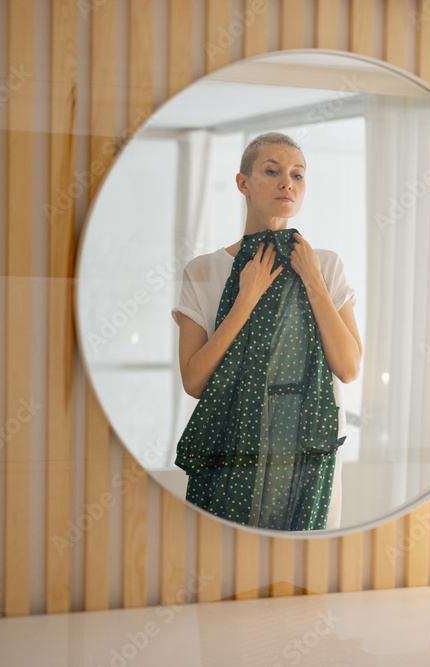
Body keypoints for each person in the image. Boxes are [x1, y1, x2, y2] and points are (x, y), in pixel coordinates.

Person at [171, 132, 362, 530]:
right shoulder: (204, 272)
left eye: (298, 175)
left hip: (310, 459)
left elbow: (347, 367)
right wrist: (246, 298)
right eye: (272, 171)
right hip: (232, 457)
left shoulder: (325, 265)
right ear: (243, 183)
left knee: (305, 580)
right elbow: (194, 379)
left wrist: (312, 280)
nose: (286, 183)